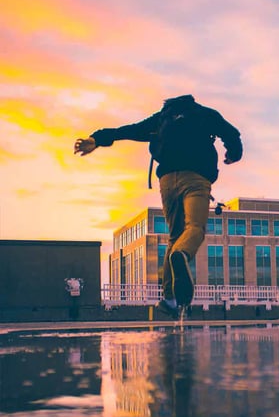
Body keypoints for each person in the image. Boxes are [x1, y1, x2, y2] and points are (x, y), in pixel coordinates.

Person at [74, 94, 243, 316]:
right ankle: (182, 254)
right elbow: (232, 134)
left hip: (167, 182)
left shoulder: (162, 118)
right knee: (194, 228)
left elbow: (130, 130)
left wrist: (96, 139)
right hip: (196, 178)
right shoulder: (205, 114)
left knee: (175, 236)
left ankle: (170, 299)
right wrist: (233, 154)